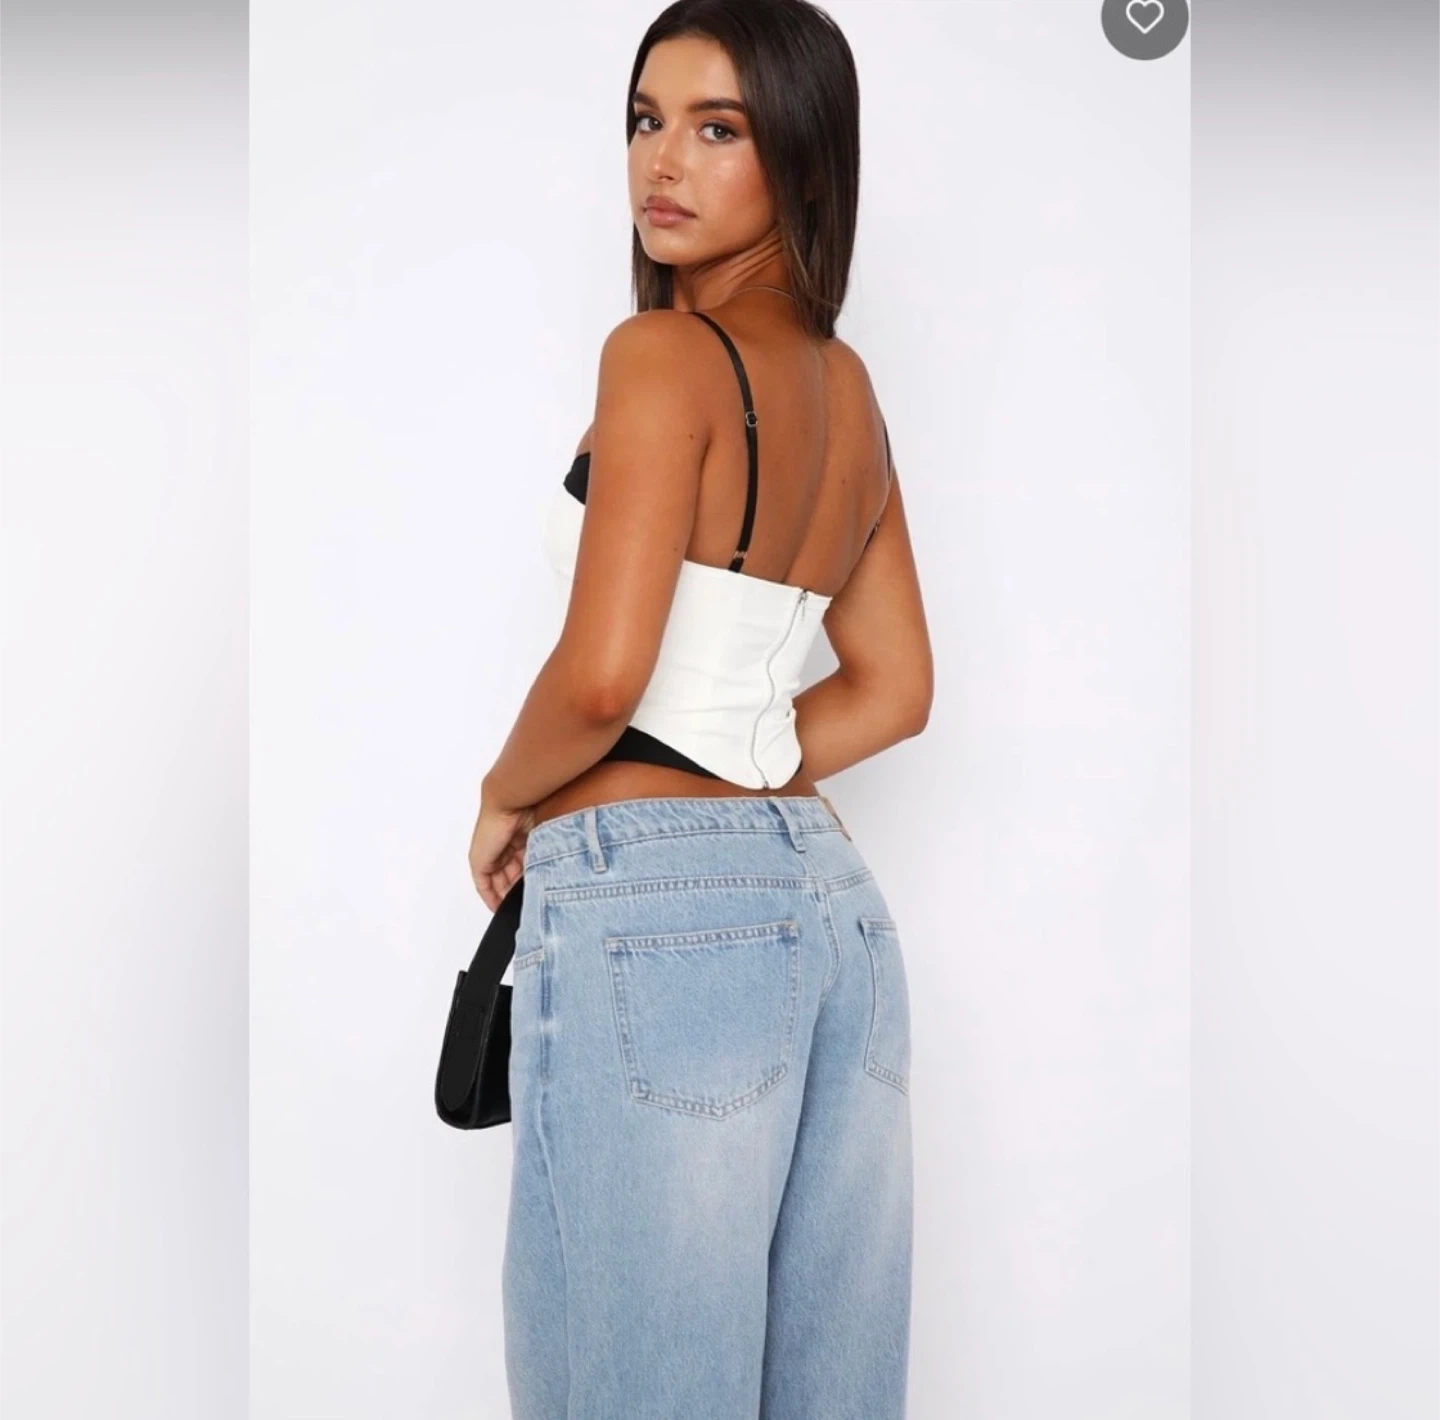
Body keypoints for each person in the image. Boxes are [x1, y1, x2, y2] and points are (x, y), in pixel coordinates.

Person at [466, 2, 932, 1414]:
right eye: (645, 120)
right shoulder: (847, 390)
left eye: (717, 128)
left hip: (655, 925)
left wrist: (506, 794)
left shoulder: (660, 358)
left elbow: (602, 675)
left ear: (802, 158)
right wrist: (743, 771)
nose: (662, 161)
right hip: (836, 914)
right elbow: (897, 688)